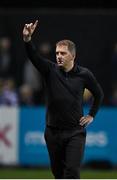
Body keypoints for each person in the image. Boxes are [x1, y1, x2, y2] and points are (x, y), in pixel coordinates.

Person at [22, 20, 104, 179]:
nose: (59, 56)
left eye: (63, 53)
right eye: (57, 53)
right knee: (58, 174)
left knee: (72, 172)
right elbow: (34, 57)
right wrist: (27, 39)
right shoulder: (50, 70)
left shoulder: (84, 74)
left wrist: (92, 114)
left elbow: (99, 94)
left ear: (73, 55)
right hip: (53, 132)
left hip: (75, 132)